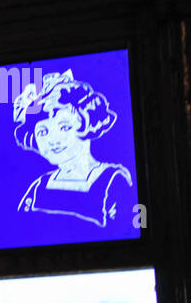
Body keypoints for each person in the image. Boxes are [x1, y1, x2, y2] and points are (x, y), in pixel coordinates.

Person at [12, 70, 132, 227]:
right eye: (43, 132)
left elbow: (123, 229)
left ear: (89, 123)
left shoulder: (113, 181)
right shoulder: (38, 187)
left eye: (64, 127)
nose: (52, 140)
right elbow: (20, 229)